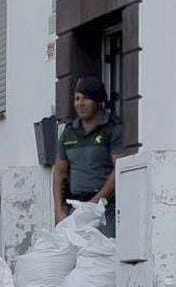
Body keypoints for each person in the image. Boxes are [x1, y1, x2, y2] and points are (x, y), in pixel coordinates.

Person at [52, 75, 125, 237]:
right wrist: (58, 210)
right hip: (76, 206)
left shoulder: (112, 128)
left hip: (105, 208)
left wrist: (96, 201)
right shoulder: (69, 132)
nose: (80, 104)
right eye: (77, 99)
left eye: (86, 99)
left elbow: (119, 168)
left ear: (98, 101)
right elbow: (59, 173)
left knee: (103, 254)